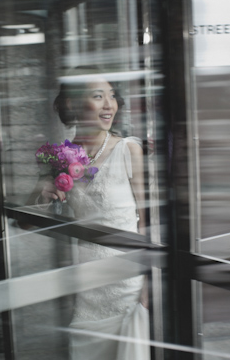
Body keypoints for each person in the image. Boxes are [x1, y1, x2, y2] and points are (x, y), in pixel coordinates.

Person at [31, 73, 150, 359]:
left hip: (128, 285)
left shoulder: (128, 150)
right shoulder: (60, 158)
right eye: (98, 96)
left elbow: (149, 221)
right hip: (88, 285)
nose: (109, 104)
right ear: (73, 104)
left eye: (111, 96)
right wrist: (39, 191)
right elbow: (26, 220)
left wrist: (149, 285)